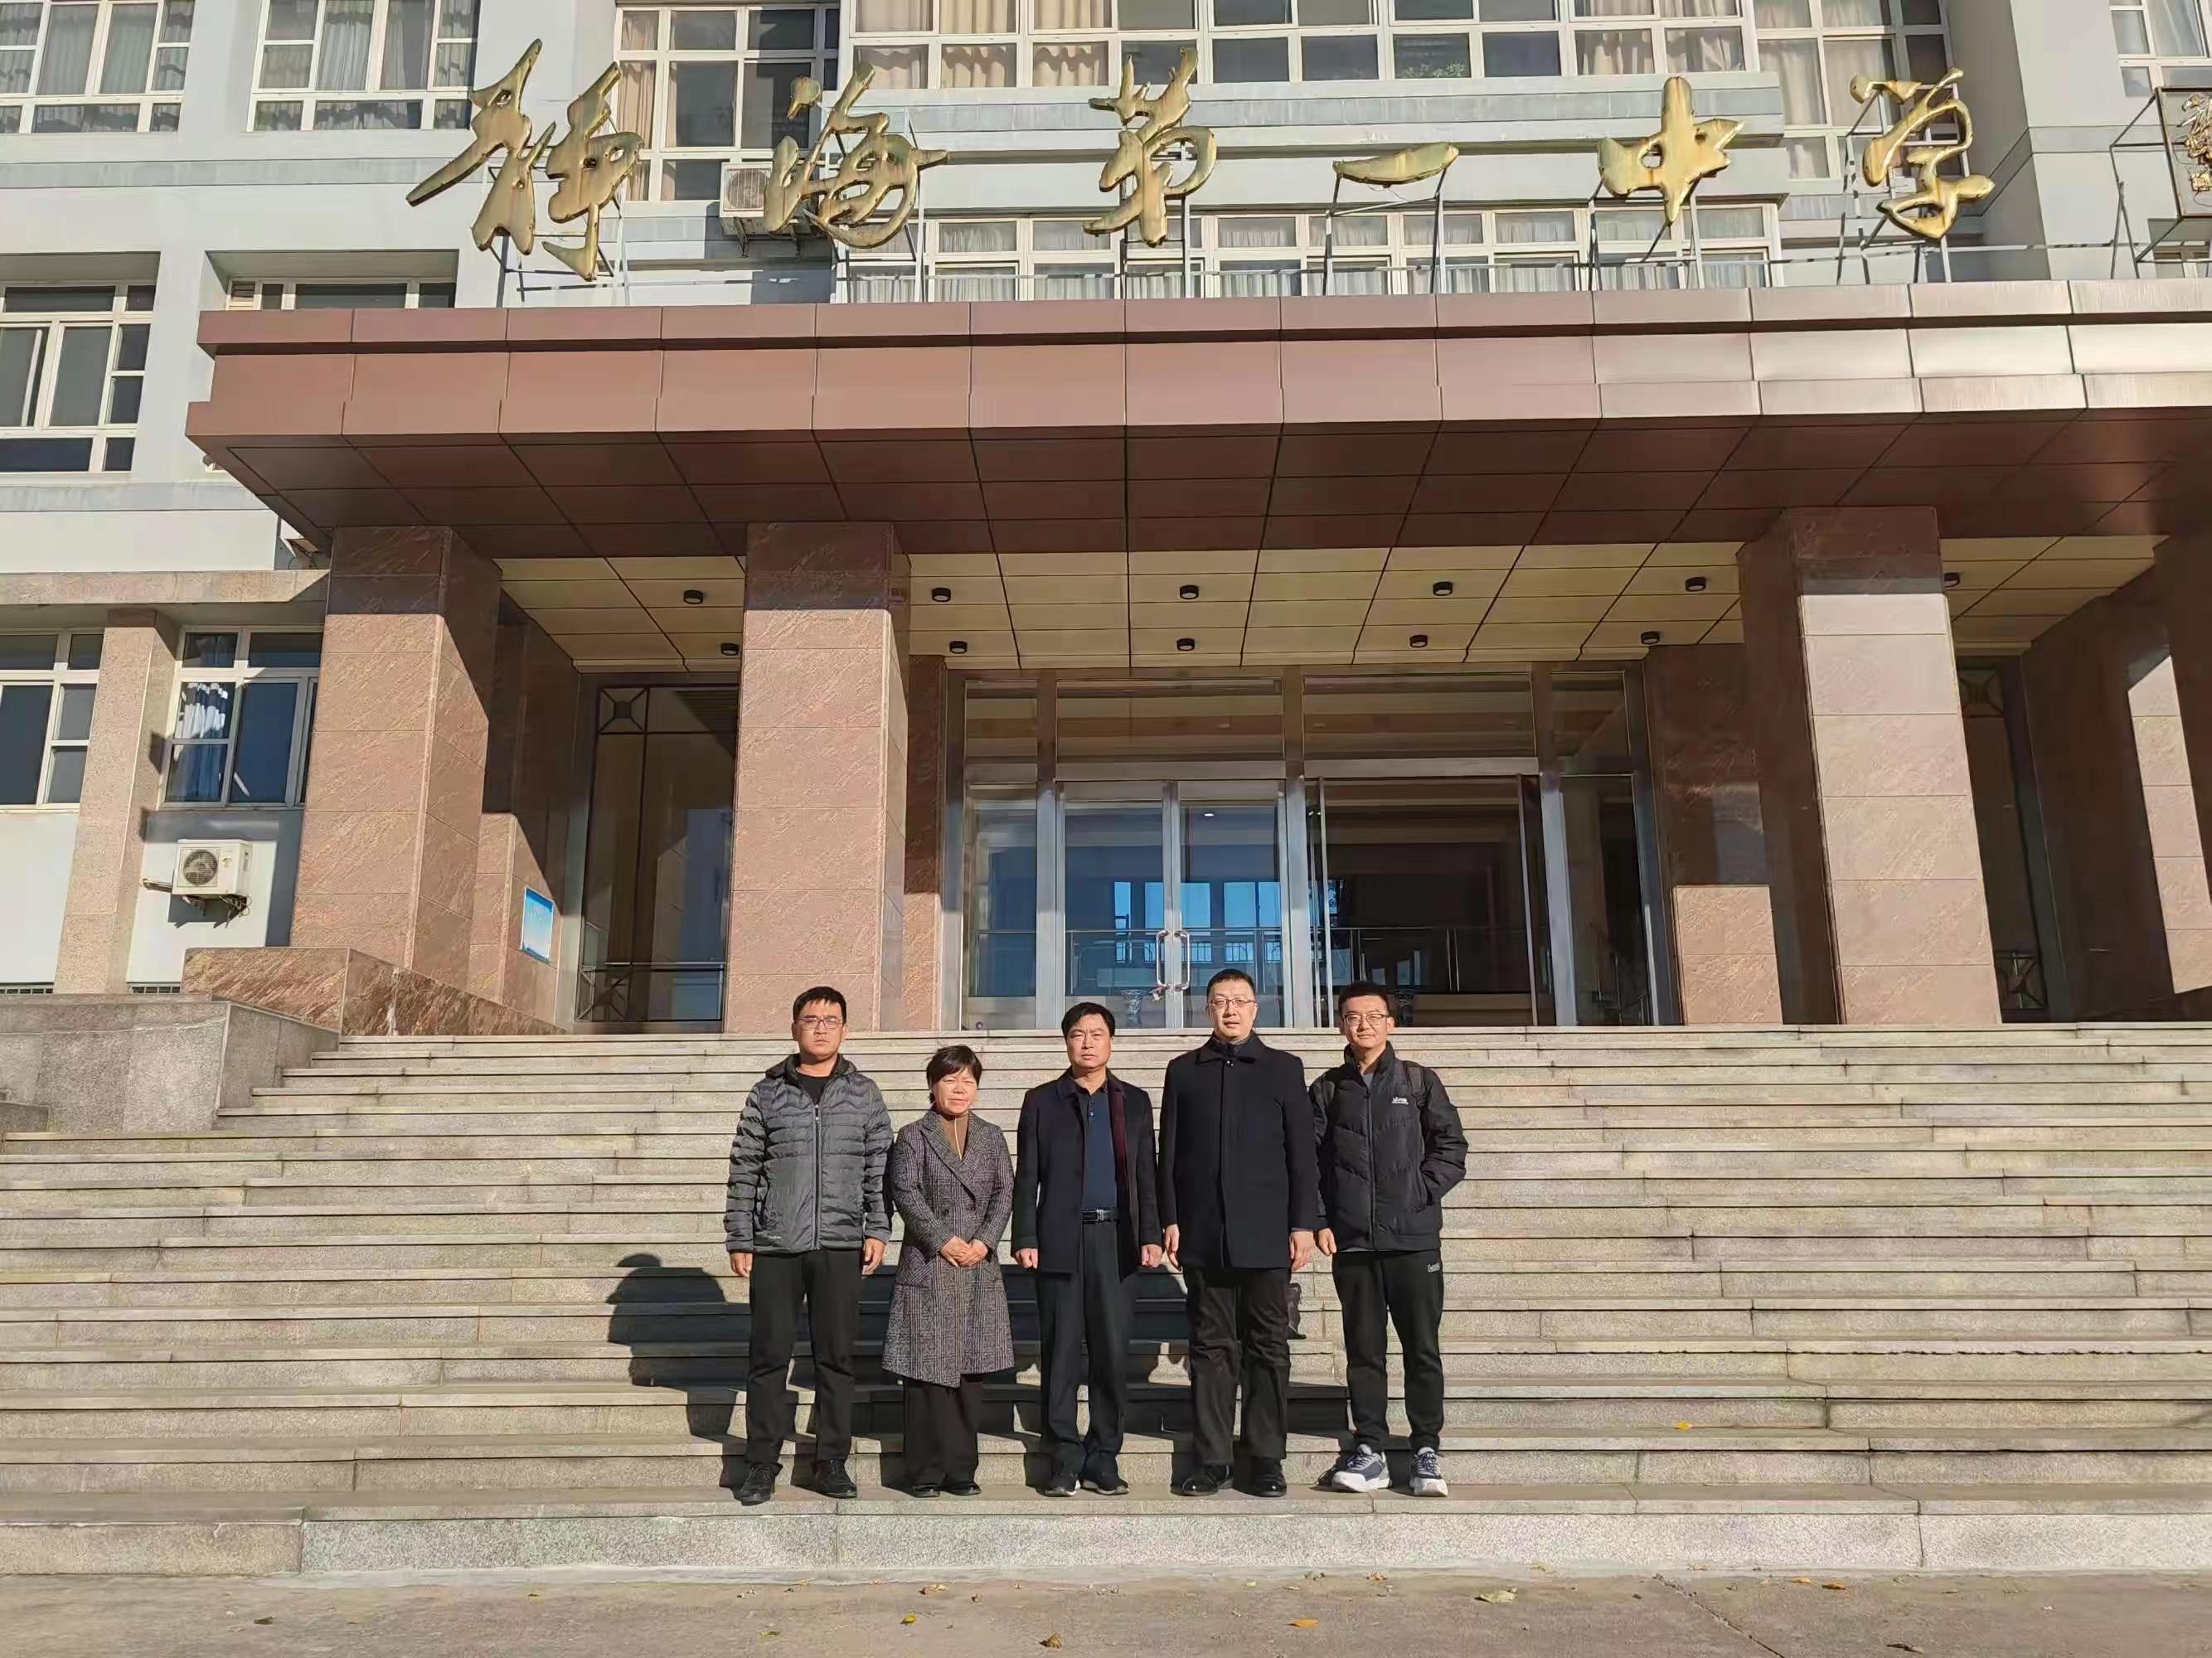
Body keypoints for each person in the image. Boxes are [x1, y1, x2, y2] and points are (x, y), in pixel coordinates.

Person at [724, 986, 892, 1506]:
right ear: (794, 1027)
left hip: (840, 1244)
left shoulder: (864, 1094)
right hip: (777, 1244)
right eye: (811, 1019)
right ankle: (761, 1462)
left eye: (831, 1020)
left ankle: (832, 1460)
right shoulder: (768, 1092)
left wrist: (877, 1227)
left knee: (836, 1359)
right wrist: (740, 1234)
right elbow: (745, 1166)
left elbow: (879, 1167)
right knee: (768, 1357)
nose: (821, 1028)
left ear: (845, 1030)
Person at [1157, 967, 1319, 1498]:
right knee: (1210, 1347)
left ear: (1256, 1008)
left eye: (1240, 1001)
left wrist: (1303, 1223)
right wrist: (1171, 1217)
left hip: (1267, 1234)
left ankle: (1266, 1457)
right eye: (1220, 1001)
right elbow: (1168, 1153)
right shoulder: (1184, 1071)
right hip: (1204, 1233)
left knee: (1268, 1346)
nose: (1230, 1010)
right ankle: (1213, 1459)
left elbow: (1302, 1155)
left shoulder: (1283, 1069)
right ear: (1207, 1009)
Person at [1312, 982, 1467, 1499]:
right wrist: (1321, 1218)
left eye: (1374, 1016)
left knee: (1421, 1348)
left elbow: (1451, 1146)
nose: (1364, 1025)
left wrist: (1418, 1193)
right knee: (1364, 1351)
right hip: (1353, 1243)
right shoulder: (1328, 1089)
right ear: (1341, 1024)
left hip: (1414, 1242)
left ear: (1391, 1023)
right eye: (1353, 1017)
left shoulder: (1419, 1081)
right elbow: (1309, 1162)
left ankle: (1426, 1449)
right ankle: (1371, 1448)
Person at [1013, 1001, 1163, 1497]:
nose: (1088, 1042)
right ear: (1066, 1042)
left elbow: (1146, 1174)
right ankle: (1063, 1455)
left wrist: (1150, 1234)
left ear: (1111, 1041)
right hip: (1060, 1238)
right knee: (1060, 1352)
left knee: (1111, 1352)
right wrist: (1026, 1236)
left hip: (1116, 1240)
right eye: (1078, 1034)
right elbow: (1027, 1175)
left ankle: (1104, 1456)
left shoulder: (1134, 1101)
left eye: (1097, 1033)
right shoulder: (1042, 1101)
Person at [884, 1045, 1015, 1498]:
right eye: (950, 1080)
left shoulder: (991, 1136)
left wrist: (984, 1241)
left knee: (970, 1374)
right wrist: (943, 1240)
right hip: (930, 1262)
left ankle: (962, 1469)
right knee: (926, 1373)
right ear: (932, 1085)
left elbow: (1004, 1192)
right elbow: (905, 1191)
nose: (960, 1089)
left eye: (968, 1081)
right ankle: (925, 1470)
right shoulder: (913, 1136)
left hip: (978, 1263)